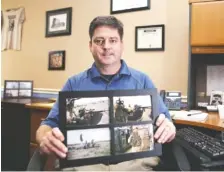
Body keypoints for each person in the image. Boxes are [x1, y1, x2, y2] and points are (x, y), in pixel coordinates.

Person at [36, 16, 176, 171]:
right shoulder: (74, 83)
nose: (106, 46)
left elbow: (166, 121)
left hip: (133, 160)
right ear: (90, 46)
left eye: (113, 40)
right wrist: (45, 137)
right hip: (86, 162)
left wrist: (169, 127)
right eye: (99, 41)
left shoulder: (142, 80)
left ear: (121, 45)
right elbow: (47, 125)